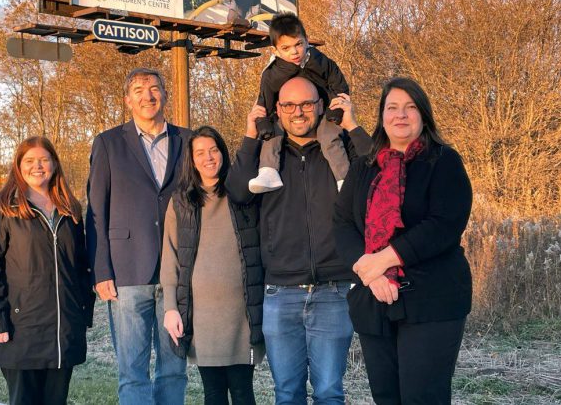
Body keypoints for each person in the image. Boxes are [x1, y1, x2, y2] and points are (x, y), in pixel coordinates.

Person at [227, 76, 372, 404]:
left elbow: (379, 172)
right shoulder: (268, 158)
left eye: (307, 103)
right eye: (289, 105)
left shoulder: (339, 151)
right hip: (280, 293)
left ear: (320, 106)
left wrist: (351, 124)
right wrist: (250, 133)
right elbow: (236, 192)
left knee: (329, 392)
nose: (298, 111)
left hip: (334, 290)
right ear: (277, 110)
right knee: (287, 393)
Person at [333, 77, 473, 404]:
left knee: (422, 397)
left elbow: (444, 224)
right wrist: (370, 272)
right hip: (374, 301)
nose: (401, 115)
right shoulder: (363, 166)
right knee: (387, 397)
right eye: (392, 108)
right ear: (381, 115)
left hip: (432, 300)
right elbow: (341, 223)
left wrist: (383, 260)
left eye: (410, 108)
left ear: (423, 115)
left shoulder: (443, 161)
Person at [85, 68, 190, 404]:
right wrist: (101, 270)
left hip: (176, 272)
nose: (148, 95)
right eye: (140, 90)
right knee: (133, 371)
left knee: (174, 368)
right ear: (127, 99)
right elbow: (96, 210)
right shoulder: (108, 143)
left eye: (155, 88)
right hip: (127, 272)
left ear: (165, 95)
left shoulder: (187, 141)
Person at [0, 136, 94, 405]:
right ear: (18, 165)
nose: (37, 166)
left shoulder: (70, 209)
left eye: (44, 159)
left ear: (54, 164)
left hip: (63, 329)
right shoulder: (3, 208)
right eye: (29, 161)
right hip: (20, 328)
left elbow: (82, 266)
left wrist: (83, 310)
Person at [160, 126, 265, 405]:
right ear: (191, 161)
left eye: (214, 149)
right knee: (213, 393)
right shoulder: (181, 202)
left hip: (241, 312)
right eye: (200, 153)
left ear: (223, 152)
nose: (209, 157)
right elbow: (170, 257)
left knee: (243, 391)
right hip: (202, 315)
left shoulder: (244, 193)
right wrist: (171, 307)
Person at [249, 12, 352, 193]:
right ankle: (268, 171)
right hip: (286, 115)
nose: (294, 52)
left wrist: (338, 103)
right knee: (272, 136)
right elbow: (264, 100)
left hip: (322, 111)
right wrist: (263, 122)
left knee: (330, 138)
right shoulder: (272, 73)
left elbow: (337, 81)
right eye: (286, 48)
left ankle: (343, 179)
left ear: (307, 40)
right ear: (276, 50)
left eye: (299, 44)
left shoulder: (318, 60)